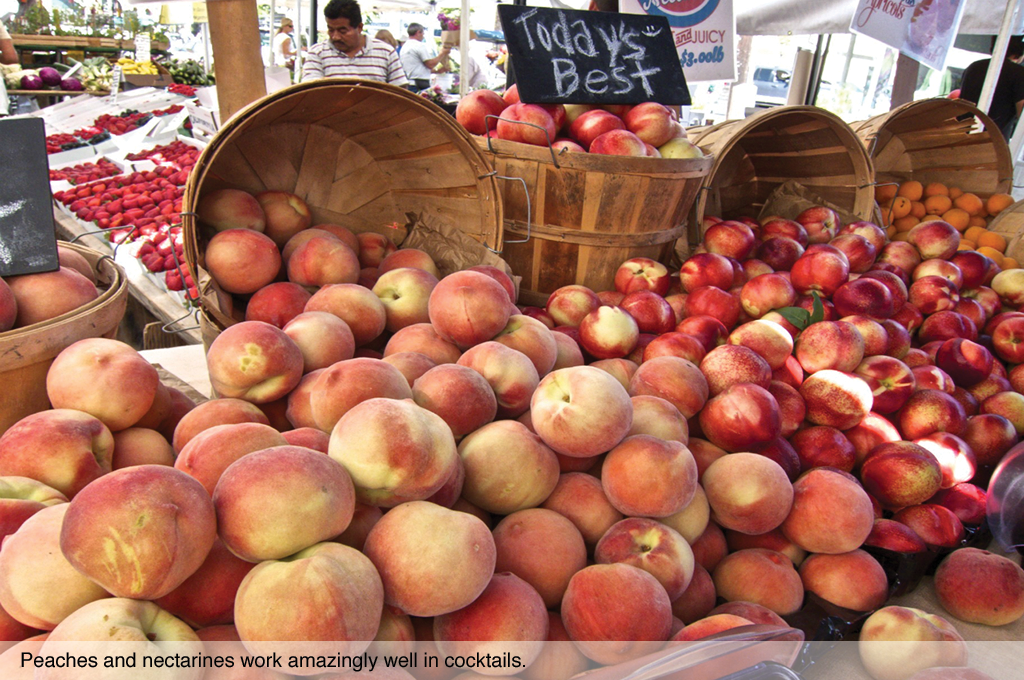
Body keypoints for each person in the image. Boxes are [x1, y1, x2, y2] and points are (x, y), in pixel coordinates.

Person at [301, 0, 408, 86]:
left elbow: (401, 93)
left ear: (360, 27)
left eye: (343, 31)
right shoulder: (317, 53)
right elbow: (310, 93)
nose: (335, 37)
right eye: (331, 30)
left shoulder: (385, 52)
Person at [959, 36, 1024, 140]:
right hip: (992, 143)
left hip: (960, 137)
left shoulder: (973, 67)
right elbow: (1022, 116)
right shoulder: (1019, 74)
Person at [400, 23, 449, 90]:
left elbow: (418, 68)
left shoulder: (404, 47)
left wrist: (437, 71)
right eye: (423, 33)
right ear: (418, 32)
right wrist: (442, 53)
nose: (423, 36)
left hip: (409, 82)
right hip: (420, 84)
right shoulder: (419, 46)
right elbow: (430, 64)